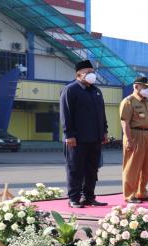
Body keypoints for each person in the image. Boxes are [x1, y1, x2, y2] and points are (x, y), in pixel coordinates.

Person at [60, 60, 108, 208]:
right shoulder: (70, 89)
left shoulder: (96, 91)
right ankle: (74, 198)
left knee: (92, 169)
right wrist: (69, 135)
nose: (92, 75)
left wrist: (104, 131)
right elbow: (65, 114)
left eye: (93, 72)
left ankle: (89, 197)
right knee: (75, 169)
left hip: (95, 138)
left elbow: (102, 113)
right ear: (78, 74)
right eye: (88, 72)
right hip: (77, 139)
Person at [120, 76, 148, 203]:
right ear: (136, 86)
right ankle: (130, 195)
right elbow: (125, 123)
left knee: (146, 167)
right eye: (145, 87)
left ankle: (141, 193)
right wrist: (129, 140)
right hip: (136, 135)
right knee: (132, 167)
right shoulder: (128, 101)